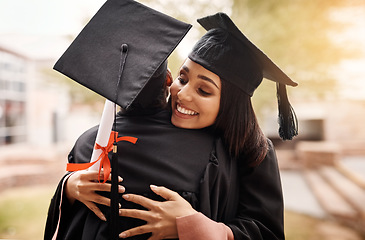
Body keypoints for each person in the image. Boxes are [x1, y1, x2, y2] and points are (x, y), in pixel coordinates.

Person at [45, 6, 297, 240]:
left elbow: (267, 231)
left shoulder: (252, 150)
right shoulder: (138, 129)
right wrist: (69, 186)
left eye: (204, 91)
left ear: (230, 103)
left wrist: (190, 224)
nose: (183, 94)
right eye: (183, 78)